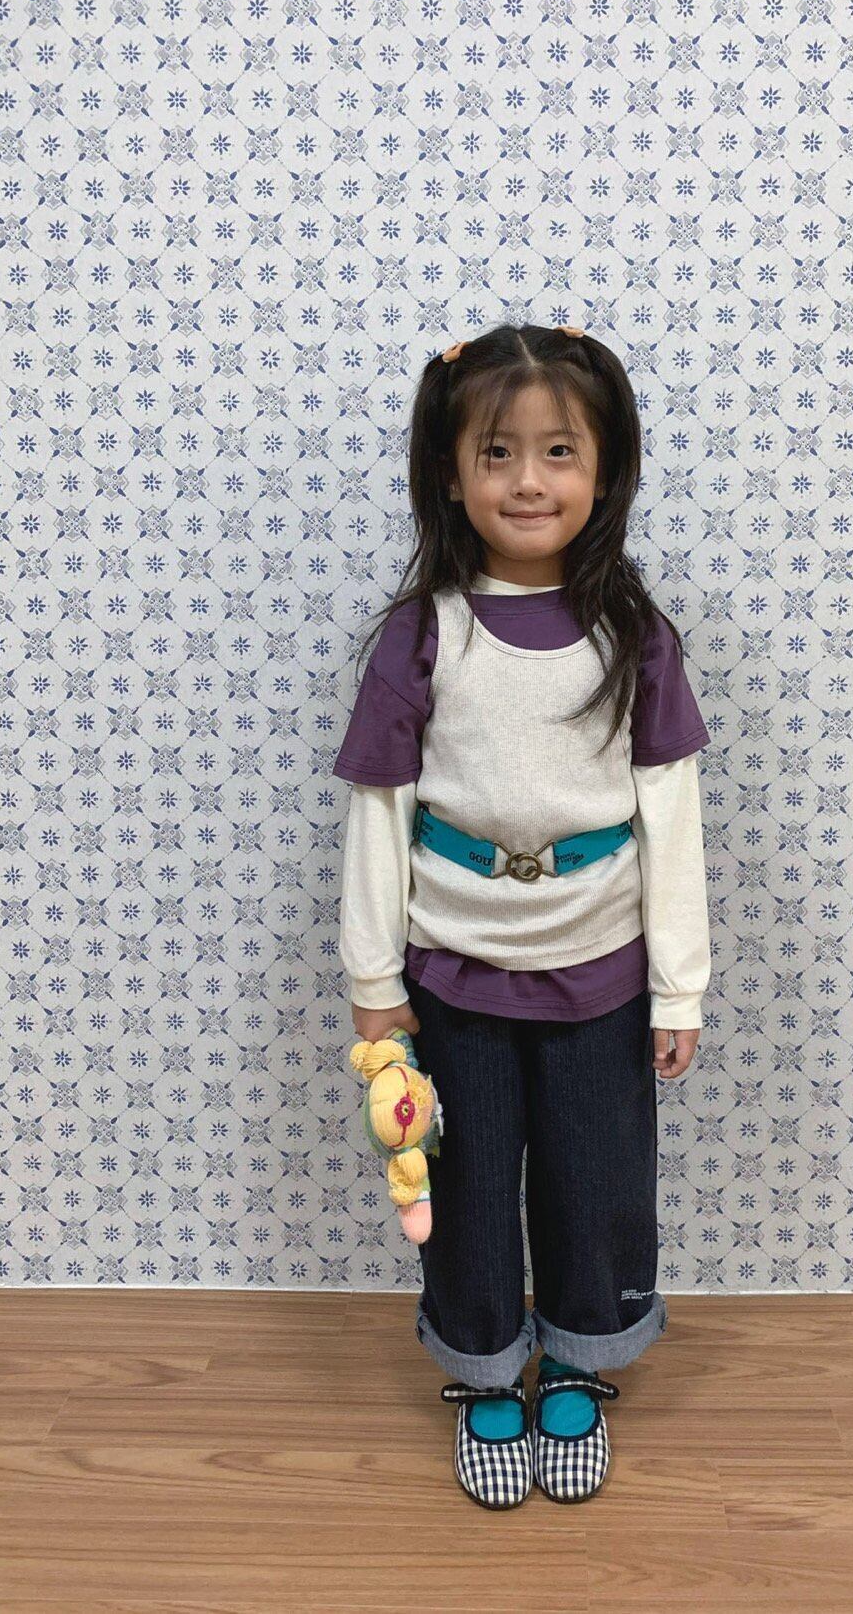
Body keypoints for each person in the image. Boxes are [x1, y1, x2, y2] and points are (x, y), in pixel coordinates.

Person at [333, 322, 711, 1508]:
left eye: (558, 451)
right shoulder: (421, 635)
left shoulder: (633, 636)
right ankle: (485, 1371)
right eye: (496, 452)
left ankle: (580, 1366)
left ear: (604, 469)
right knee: (467, 1184)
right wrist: (373, 984)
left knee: (595, 1183)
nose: (528, 480)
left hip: (601, 971)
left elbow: (671, 818)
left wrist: (680, 987)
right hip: (451, 976)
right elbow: (379, 815)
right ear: (450, 473)